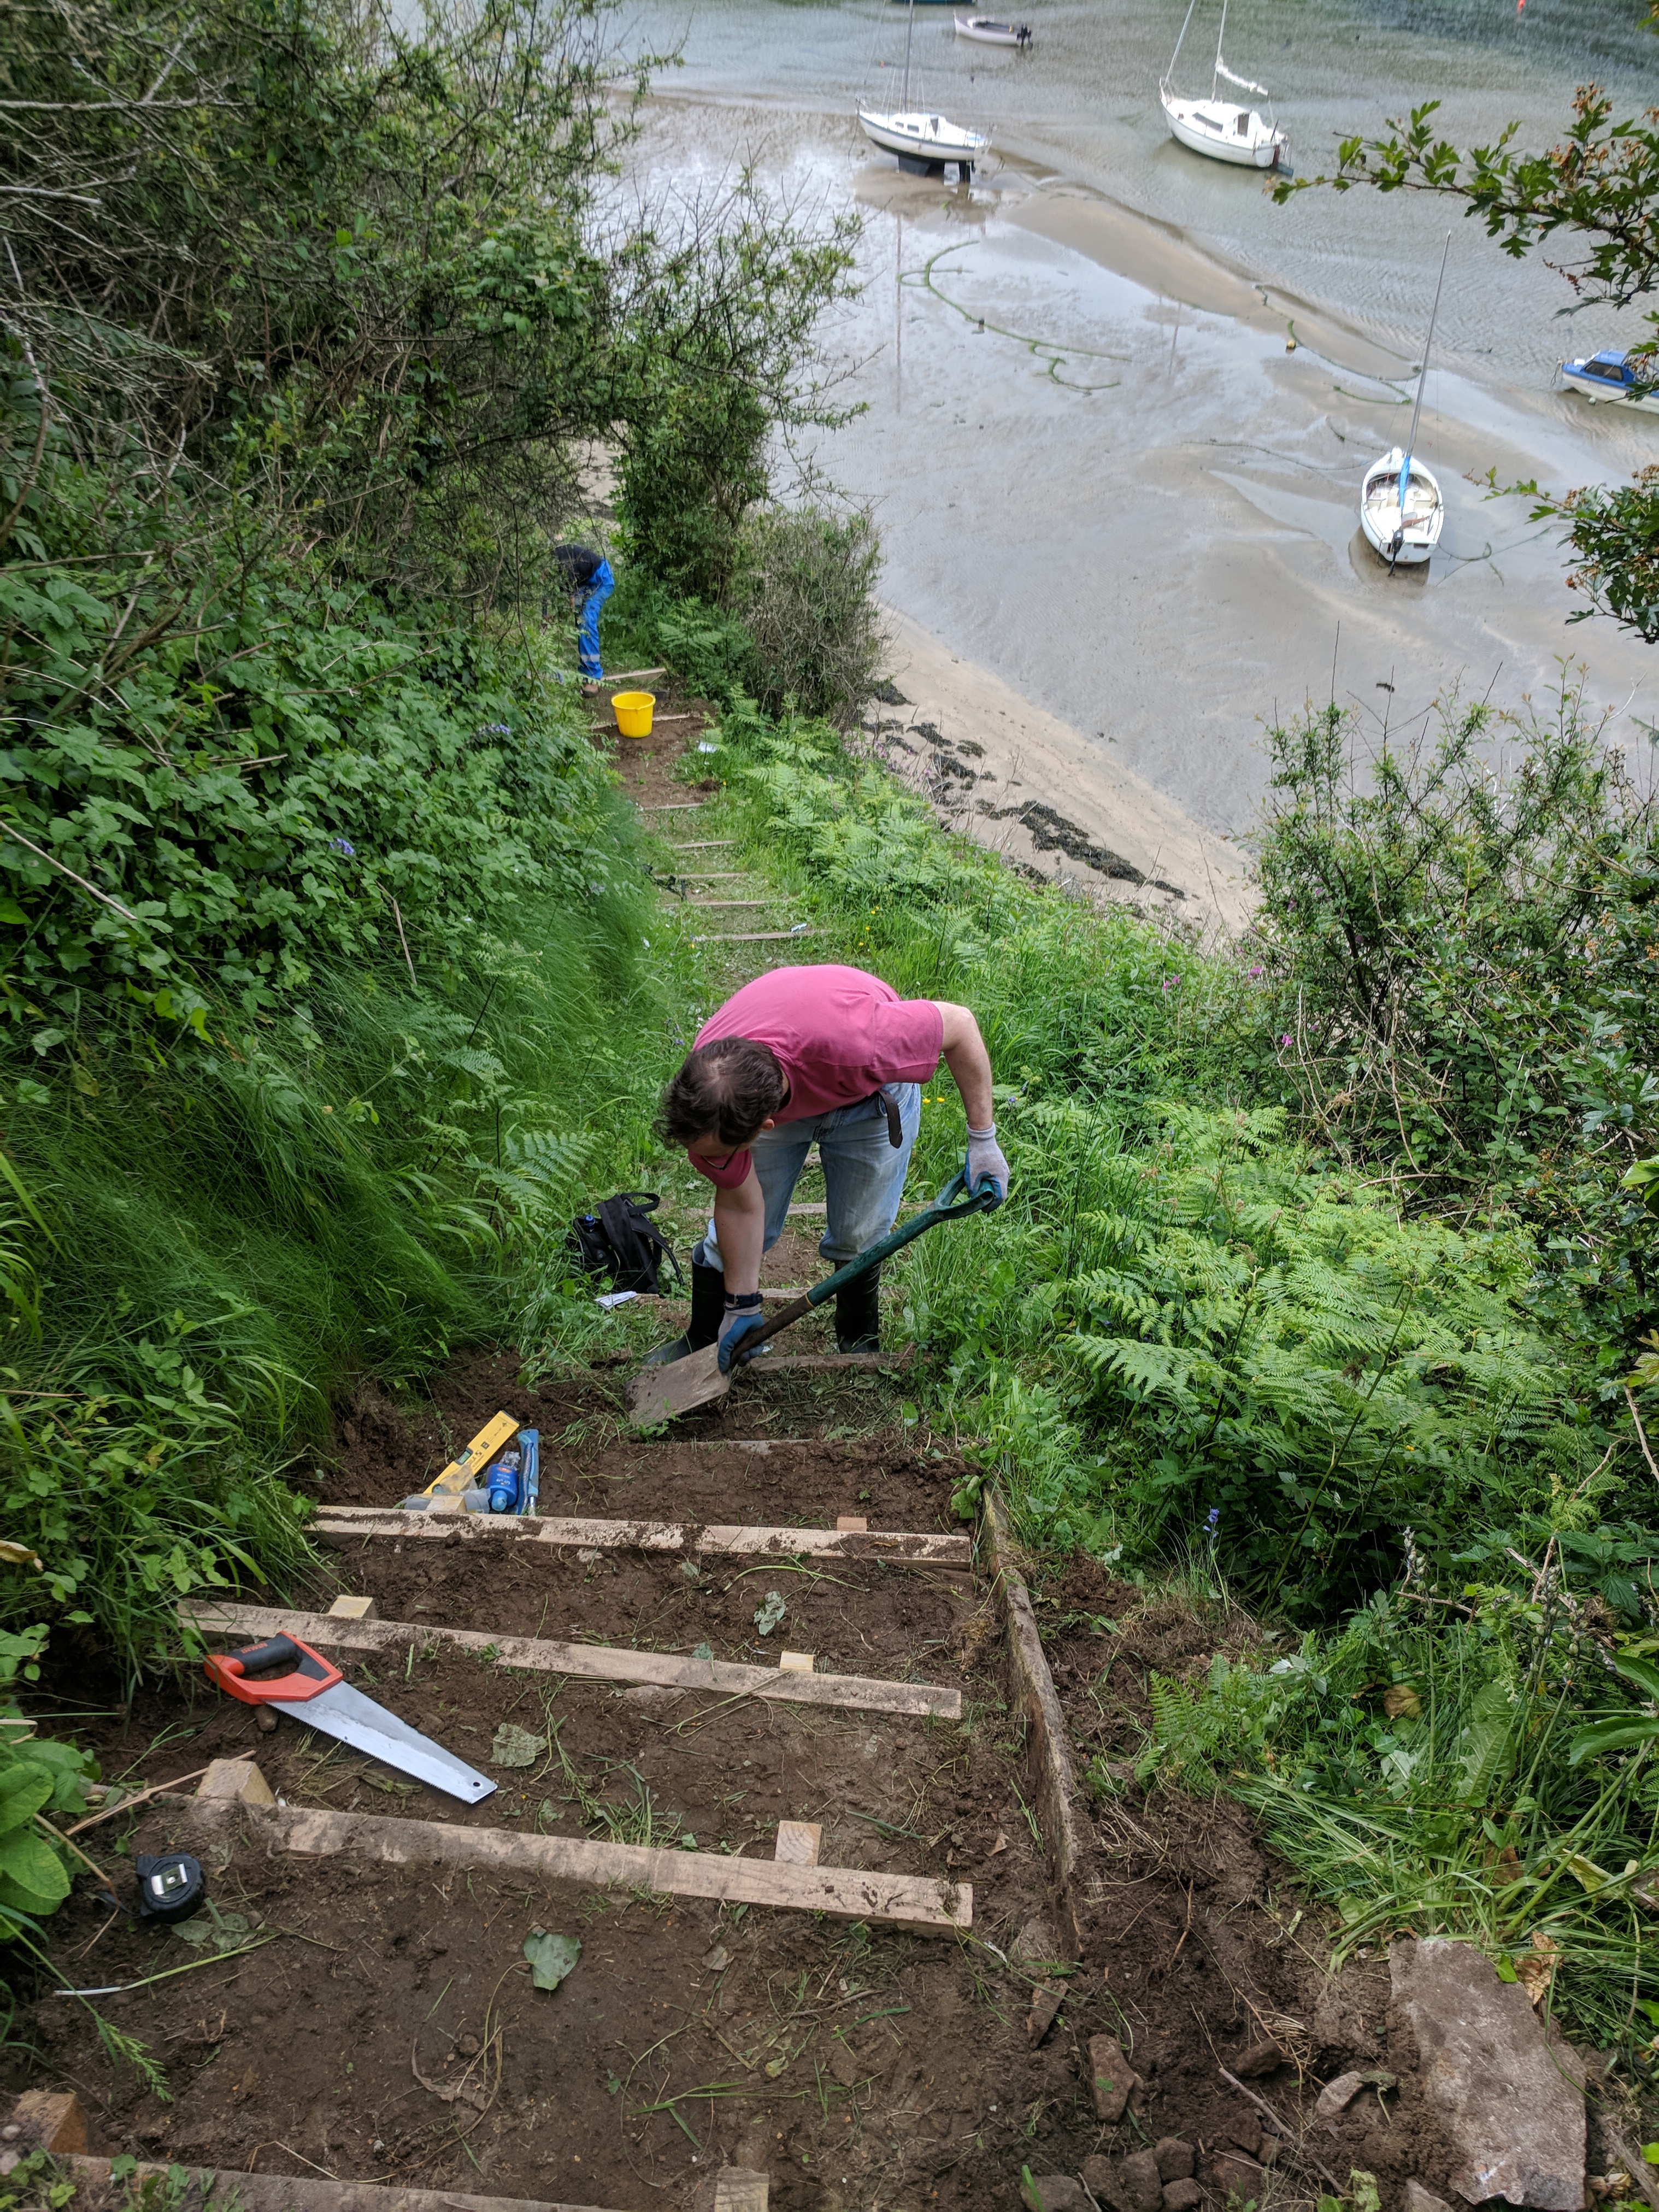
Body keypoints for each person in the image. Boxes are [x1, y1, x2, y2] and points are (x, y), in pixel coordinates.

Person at [648, 963, 1010, 1371]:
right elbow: (740, 1206)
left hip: (867, 1093)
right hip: (793, 1070)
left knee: (861, 1232)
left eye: (716, 1154)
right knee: (739, 1230)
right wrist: (740, 1303)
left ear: (764, 1127)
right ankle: (705, 1334)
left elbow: (959, 1025)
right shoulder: (710, 1088)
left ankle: (857, 1337)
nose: (707, 1162)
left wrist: (983, 1140)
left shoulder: (864, 1040)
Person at [550, 542, 614, 690]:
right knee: (580, 622)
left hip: (601, 579)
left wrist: (563, 612)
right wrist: (545, 616)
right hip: (585, 583)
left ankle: (593, 676)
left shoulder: (562, 564)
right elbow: (548, 595)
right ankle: (585, 669)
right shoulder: (550, 568)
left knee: (585, 620)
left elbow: (570, 599)